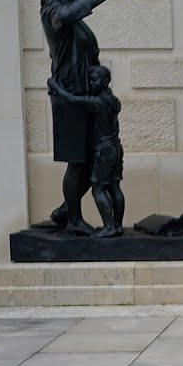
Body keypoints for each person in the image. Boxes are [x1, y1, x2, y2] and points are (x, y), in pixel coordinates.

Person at [32, 0, 132, 235]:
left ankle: (66, 209)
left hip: (83, 91)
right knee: (78, 160)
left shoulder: (63, 2)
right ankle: (73, 219)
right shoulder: (53, 13)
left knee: (90, 158)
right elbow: (73, 8)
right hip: (69, 94)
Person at [47, 66, 125, 238]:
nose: (90, 83)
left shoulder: (98, 102)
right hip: (115, 149)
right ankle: (117, 226)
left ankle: (109, 227)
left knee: (98, 189)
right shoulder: (113, 100)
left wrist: (55, 85)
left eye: (94, 79)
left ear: (104, 81)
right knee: (114, 187)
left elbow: (71, 99)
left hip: (104, 152)